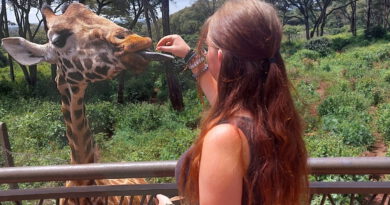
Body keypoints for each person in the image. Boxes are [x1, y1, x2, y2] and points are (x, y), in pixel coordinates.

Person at [156, 0, 308, 204]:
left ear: (219, 57)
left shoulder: (227, 138)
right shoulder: (271, 118)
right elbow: (224, 101)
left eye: (207, 47)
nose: (205, 53)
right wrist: (189, 56)